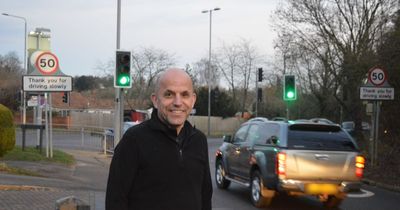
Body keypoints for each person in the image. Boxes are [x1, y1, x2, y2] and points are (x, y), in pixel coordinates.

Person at [105, 68, 213, 210]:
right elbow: (116, 200)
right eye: (169, 94)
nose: (178, 102)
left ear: (193, 100)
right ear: (155, 100)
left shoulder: (199, 140)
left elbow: (205, 196)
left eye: (184, 95)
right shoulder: (134, 140)